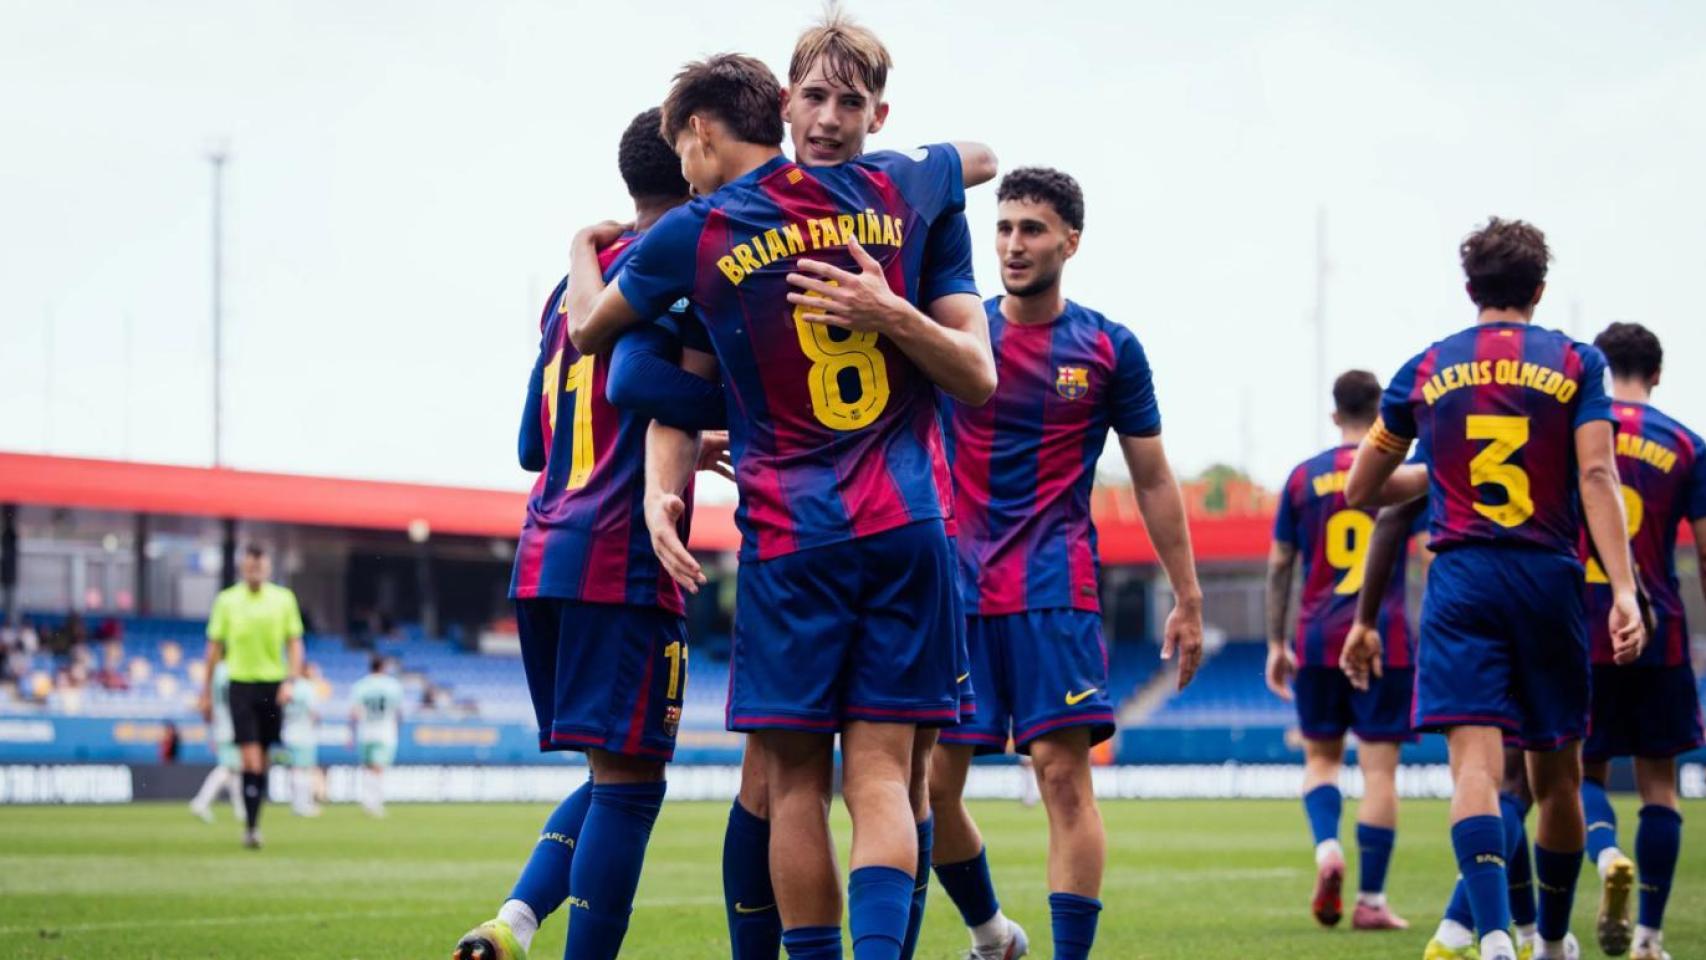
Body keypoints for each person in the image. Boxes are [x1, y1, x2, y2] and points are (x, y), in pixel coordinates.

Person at [571, 52, 995, 960]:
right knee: (886, 779)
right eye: (817, 97)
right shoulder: (908, 191)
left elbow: (597, 338)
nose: (830, 116)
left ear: (699, 133)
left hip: (791, 535)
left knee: (791, 785)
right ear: (787, 105)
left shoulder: (700, 229)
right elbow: (980, 157)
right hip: (906, 520)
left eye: (849, 101)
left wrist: (592, 253)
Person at [1344, 217, 1645, 960]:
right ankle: (1549, 938)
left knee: (1474, 769)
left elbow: (1363, 490)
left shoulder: (1427, 366)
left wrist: (1439, 473)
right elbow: (1597, 474)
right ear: (1539, 291)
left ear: (1469, 287)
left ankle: (1491, 936)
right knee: (1558, 778)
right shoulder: (1579, 362)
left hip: (1463, 579)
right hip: (1549, 576)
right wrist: (1628, 591)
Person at [453, 107, 713, 960]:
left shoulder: (576, 287)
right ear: (696, 163)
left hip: (545, 555)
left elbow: (533, 442)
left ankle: (513, 924)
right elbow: (649, 392)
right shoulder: (686, 270)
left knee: (611, 776)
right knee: (633, 789)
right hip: (624, 556)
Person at [927, 167, 1204, 960]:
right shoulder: (958, 334)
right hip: (957, 591)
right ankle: (991, 935)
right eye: (1005, 227)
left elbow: (1152, 477)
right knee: (933, 791)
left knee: (1061, 779)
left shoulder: (1110, 348)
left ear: (1070, 242)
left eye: (1033, 229)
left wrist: (1186, 596)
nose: (1014, 244)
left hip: (1055, 586)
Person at [1266, 370, 1420, 931]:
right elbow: (1428, 555)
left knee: (1322, 760)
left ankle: (1327, 847)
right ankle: (1372, 901)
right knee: (1380, 774)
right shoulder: (1400, 474)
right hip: (1385, 634)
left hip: (1316, 638)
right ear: (1381, 415)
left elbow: (1282, 564)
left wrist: (1277, 642)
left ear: (1335, 415)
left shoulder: (1304, 479)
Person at [1573, 322, 1704, 960]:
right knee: (1660, 785)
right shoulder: (1687, 444)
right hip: (1659, 629)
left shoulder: (1577, 437)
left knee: (1580, 772)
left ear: (1599, 370)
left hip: (1584, 625)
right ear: (1657, 374)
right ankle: (1650, 937)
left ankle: (1607, 855)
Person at [198, 543, 305, 849]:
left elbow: (295, 643)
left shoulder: (283, 600)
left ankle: (254, 820)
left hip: (273, 686)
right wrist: (205, 693)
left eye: (260, 565)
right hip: (241, 685)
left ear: (268, 568)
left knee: (265, 759)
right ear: (243, 567)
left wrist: (290, 681)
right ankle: (251, 827)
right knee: (250, 758)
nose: (255, 570)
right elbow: (213, 650)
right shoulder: (227, 601)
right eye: (250, 565)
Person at [188, 659, 245, 823]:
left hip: (221, 724)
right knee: (228, 768)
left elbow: (207, 702)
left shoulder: (215, 671)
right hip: (230, 725)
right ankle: (201, 802)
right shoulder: (229, 670)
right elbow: (234, 698)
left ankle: (240, 810)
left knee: (235, 770)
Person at [349, 654, 404, 818]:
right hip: (385, 730)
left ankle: (367, 801)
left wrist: (350, 733)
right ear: (384, 667)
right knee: (379, 768)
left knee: (367, 767)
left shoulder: (361, 685)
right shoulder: (393, 685)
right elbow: (399, 712)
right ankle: (376, 803)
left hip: (366, 730)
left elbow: (354, 712)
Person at [280, 664, 321, 816]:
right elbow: (314, 712)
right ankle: (303, 805)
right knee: (304, 770)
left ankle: (296, 803)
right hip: (304, 734)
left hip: (289, 732)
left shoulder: (287, 687)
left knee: (295, 770)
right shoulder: (307, 688)